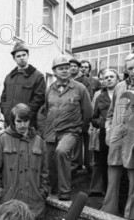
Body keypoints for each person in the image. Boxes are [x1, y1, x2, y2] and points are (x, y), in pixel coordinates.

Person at [101, 53, 134, 220]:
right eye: (130, 68)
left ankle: (132, 216)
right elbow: (111, 112)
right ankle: (108, 211)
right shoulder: (120, 86)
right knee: (112, 178)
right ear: (126, 70)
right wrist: (108, 130)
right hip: (116, 137)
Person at [0, 103, 50, 220]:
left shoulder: (39, 142)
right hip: (8, 205)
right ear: (13, 121)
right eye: (19, 121)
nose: (22, 125)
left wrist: (42, 193)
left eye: (26, 121)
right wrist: (0, 195)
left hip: (32, 206)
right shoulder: (2, 140)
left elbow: (44, 172)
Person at [43, 55, 92, 201]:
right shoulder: (50, 89)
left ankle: (65, 191)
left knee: (62, 151)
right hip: (51, 131)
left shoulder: (80, 88)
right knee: (49, 160)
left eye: (66, 68)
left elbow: (88, 112)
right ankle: (54, 189)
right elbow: (46, 110)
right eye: (60, 68)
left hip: (70, 131)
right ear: (54, 71)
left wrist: (78, 129)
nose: (64, 71)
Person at [0, 42, 46, 128]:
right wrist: (5, 111)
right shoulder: (9, 77)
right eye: (18, 56)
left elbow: (39, 99)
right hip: (10, 122)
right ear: (14, 58)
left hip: (27, 123)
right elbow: (3, 97)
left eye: (24, 55)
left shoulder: (37, 76)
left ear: (28, 55)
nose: (21, 58)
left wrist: (25, 115)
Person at [88, 69, 119, 197]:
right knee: (104, 164)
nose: (109, 79)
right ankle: (107, 193)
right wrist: (103, 123)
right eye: (106, 78)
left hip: (121, 133)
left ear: (117, 79)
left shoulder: (124, 93)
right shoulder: (100, 97)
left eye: (112, 77)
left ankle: (119, 194)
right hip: (104, 134)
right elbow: (93, 118)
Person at [69, 58, 93, 174]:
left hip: (84, 114)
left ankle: (88, 165)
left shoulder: (85, 80)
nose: (72, 68)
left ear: (78, 68)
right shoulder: (66, 80)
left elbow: (89, 99)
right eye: (70, 66)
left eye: (75, 66)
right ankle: (77, 165)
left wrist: (86, 119)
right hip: (72, 117)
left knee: (86, 141)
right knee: (75, 142)